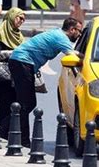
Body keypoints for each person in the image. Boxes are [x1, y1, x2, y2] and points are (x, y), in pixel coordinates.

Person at [8, 17, 82, 147]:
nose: (79, 35)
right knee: (26, 103)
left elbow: (74, 52)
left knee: (25, 103)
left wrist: (83, 55)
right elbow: (72, 55)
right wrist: (87, 60)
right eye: (78, 31)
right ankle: (20, 139)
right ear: (72, 29)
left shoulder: (58, 34)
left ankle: (8, 132)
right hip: (22, 62)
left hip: (21, 62)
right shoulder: (61, 38)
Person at [0, 8, 25, 140]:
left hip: (16, 75)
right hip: (3, 76)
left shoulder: (18, 35)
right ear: (11, 17)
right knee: (3, 104)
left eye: (23, 19)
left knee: (16, 104)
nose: (21, 21)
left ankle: (12, 133)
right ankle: (1, 133)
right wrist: (15, 53)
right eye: (19, 18)